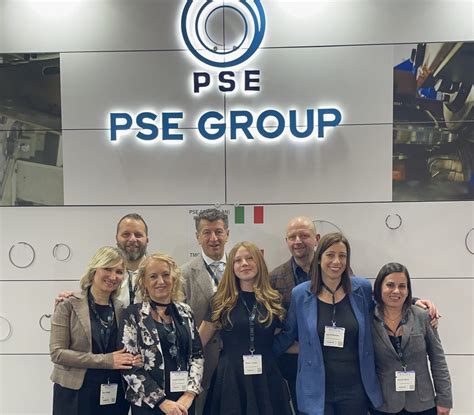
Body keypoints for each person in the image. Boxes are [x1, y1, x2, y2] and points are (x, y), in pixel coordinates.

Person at [274, 232, 383, 415]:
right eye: (330, 255)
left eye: (342, 256)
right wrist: (263, 351)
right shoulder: (301, 294)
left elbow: (385, 307)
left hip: (355, 388)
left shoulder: (361, 289)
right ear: (319, 258)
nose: (337, 261)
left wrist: (415, 302)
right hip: (316, 388)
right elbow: (288, 334)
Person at [199, 241, 293, 415]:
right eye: (238, 260)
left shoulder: (274, 300)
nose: (244, 264)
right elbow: (198, 342)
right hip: (230, 379)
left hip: (266, 378)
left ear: (259, 262)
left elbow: (281, 338)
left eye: (250, 258)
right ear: (231, 267)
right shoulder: (220, 301)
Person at [50, 246, 138, 415]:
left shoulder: (121, 309)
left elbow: (124, 351)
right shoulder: (68, 304)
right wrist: (106, 360)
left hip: (114, 393)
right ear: (94, 270)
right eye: (107, 269)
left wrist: (135, 359)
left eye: (119, 272)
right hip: (74, 392)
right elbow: (57, 353)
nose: (113, 276)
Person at [120, 252, 204, 415]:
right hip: (149, 405)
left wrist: (189, 394)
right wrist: (161, 402)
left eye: (166, 275)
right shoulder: (132, 315)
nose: (161, 281)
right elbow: (128, 365)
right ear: (144, 281)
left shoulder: (186, 312)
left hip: (183, 404)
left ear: (174, 278)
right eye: (153, 276)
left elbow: (197, 355)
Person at [370, 263, 452, 415]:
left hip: (422, 404)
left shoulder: (422, 316)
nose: (396, 291)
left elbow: (438, 361)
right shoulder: (368, 319)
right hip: (384, 404)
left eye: (402, 286)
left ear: (408, 290)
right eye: (390, 285)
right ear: (379, 287)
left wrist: (444, 400)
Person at [269, 216, 320, 413]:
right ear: (287, 241)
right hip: (291, 364)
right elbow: (270, 327)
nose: (298, 241)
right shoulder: (274, 278)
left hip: (328, 360)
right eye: (292, 237)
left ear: (316, 238)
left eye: (304, 235)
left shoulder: (334, 272)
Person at [181, 208, 229, 414]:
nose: (213, 238)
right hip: (202, 363)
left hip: (237, 361)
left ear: (227, 234)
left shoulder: (242, 269)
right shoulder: (183, 274)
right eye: (207, 232)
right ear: (197, 237)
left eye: (218, 231)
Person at [56, 212, 149, 307]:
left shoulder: (156, 275)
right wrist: (67, 303)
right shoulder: (102, 275)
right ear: (117, 238)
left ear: (147, 240)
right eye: (126, 234)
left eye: (138, 235)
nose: (132, 239)